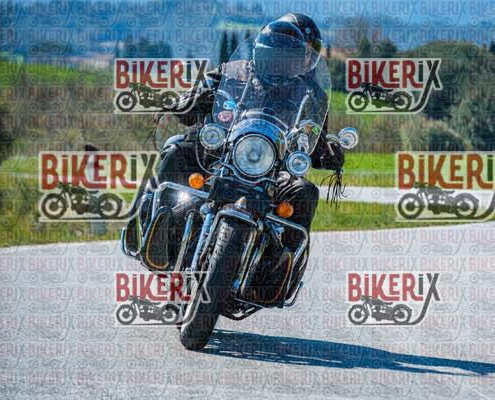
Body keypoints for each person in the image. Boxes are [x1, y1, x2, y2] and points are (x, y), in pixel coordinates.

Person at [139, 15, 345, 273]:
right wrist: (191, 99)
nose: (293, 59)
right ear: (264, 50)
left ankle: (282, 264)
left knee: (304, 191)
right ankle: (158, 227)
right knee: (177, 148)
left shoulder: (311, 94)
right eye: (279, 51)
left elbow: (313, 138)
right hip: (221, 154)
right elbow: (193, 104)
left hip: (274, 171)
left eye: (301, 52)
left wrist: (328, 151)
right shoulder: (233, 71)